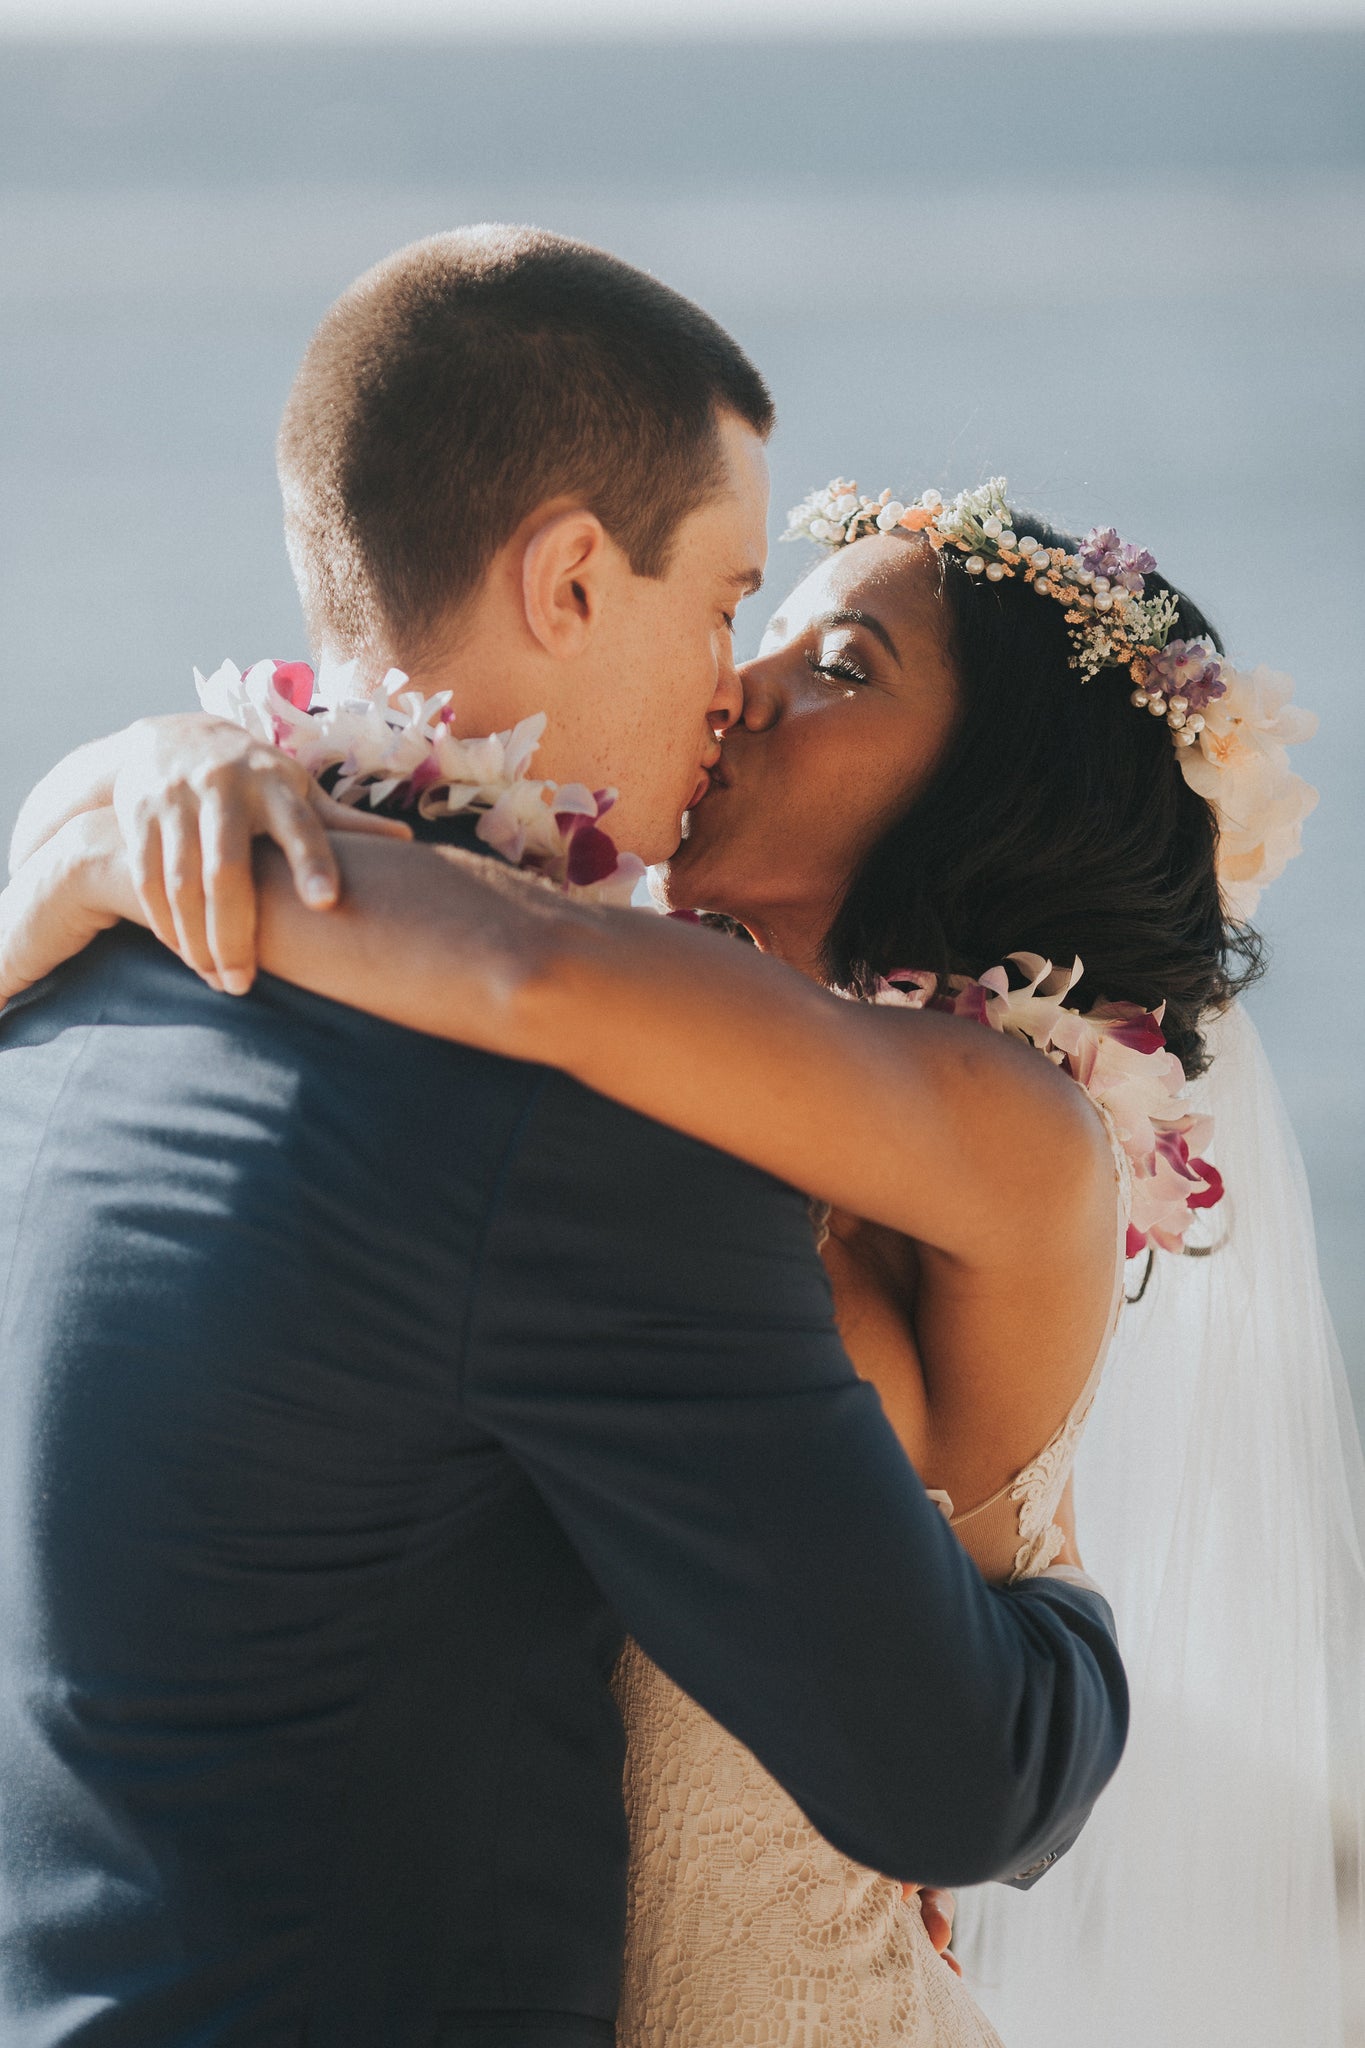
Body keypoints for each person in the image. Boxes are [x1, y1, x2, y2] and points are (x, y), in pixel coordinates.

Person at [0, 231, 1130, 2048]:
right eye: (726, 604)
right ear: (573, 579)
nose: (730, 684)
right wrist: (1066, 1624)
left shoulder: (74, 992)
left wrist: (100, 797)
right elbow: (952, 1785)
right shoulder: (576, 1145)